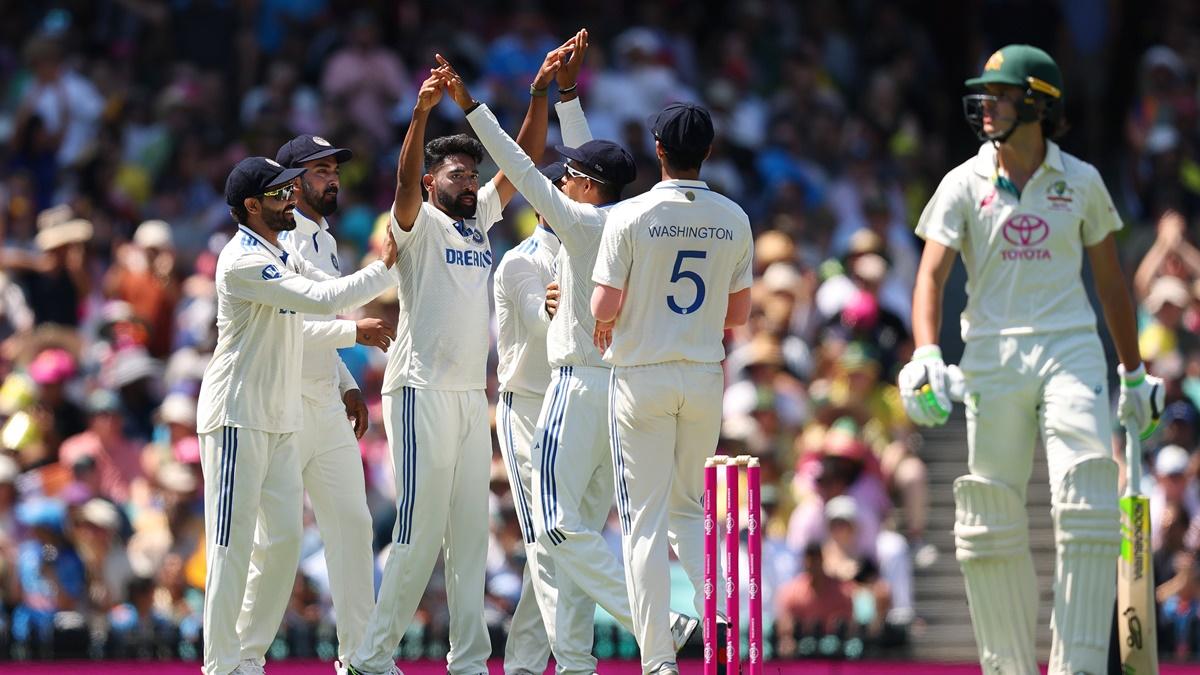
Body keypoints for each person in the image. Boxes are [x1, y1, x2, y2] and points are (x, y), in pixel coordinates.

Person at [898, 44, 1165, 675]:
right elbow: (930, 277)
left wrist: (1131, 372)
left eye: (1000, 95)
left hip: (1071, 347)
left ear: (1038, 103)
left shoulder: (1082, 182)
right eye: (984, 96)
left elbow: (1112, 285)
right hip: (990, 356)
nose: (986, 107)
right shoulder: (962, 182)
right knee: (988, 515)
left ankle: (1077, 668)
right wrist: (928, 351)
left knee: (1090, 495)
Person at [441, 35, 698, 667]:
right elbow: (592, 161)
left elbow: (518, 162)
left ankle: (648, 626)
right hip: (624, 392)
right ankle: (563, 661)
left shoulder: (582, 226)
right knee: (572, 536)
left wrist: (474, 103)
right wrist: (567, 95)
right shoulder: (637, 220)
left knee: (556, 535)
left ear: (581, 186)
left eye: (571, 177)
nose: (563, 177)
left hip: (571, 390)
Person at [346, 42, 572, 675]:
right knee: (418, 534)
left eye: (472, 175)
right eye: (457, 175)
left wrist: (538, 94)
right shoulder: (416, 225)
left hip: (473, 396)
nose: (469, 182)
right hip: (418, 390)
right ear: (430, 182)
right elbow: (400, 182)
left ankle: (469, 662)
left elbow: (520, 163)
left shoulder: (479, 220)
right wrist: (420, 117)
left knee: (470, 537)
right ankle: (368, 659)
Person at [197, 156, 398, 675]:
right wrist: (385, 264)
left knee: (283, 543)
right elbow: (325, 297)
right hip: (236, 414)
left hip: (280, 417)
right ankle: (223, 666)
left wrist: (344, 377)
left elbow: (325, 306)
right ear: (251, 206)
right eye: (279, 193)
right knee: (231, 545)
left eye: (291, 190)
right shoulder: (243, 259)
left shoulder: (282, 249)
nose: (290, 199)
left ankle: (249, 658)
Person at [590, 103, 753, 674]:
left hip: (641, 374)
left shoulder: (630, 215)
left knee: (642, 522)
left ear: (657, 150)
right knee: (691, 510)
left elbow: (601, 307)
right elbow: (740, 313)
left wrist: (619, 315)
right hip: (704, 373)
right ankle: (726, 620)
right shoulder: (734, 216)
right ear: (707, 151)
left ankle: (658, 661)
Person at [492, 163, 564, 675]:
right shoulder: (521, 261)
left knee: (564, 541)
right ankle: (543, 664)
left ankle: (529, 665)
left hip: (573, 404)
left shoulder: (595, 251)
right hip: (526, 407)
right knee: (545, 540)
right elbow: (544, 326)